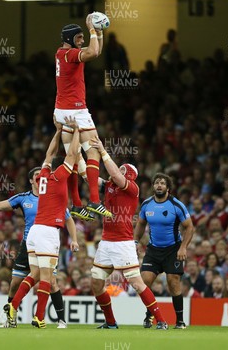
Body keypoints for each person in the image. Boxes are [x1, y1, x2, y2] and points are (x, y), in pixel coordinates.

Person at [0, 167, 77, 328]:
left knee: (51, 281)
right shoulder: (23, 198)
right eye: (37, 175)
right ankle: (11, 319)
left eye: (42, 175)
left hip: (47, 244)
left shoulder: (53, 196)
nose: (41, 177)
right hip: (28, 244)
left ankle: (61, 320)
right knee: (15, 282)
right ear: (31, 180)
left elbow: (69, 219)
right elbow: (0, 205)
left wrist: (74, 239)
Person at [4, 117, 80, 329]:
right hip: (47, 232)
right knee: (46, 277)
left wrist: (57, 132)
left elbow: (49, 153)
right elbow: (72, 155)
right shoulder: (59, 177)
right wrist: (76, 131)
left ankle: (13, 305)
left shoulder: (44, 174)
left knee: (35, 274)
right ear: (63, 168)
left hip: (35, 232)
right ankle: (39, 317)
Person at [88, 137, 168, 330]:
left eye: (124, 169)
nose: (119, 170)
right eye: (120, 168)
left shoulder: (132, 188)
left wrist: (103, 152)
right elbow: (88, 176)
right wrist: (80, 158)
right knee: (96, 284)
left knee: (137, 284)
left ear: (130, 175)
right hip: (106, 242)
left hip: (123, 242)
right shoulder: (109, 186)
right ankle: (111, 322)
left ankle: (162, 321)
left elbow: (115, 174)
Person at [54, 13, 111, 220]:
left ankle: (77, 205)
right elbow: (94, 53)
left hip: (61, 111)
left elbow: (94, 51)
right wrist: (92, 29)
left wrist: (100, 33)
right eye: (78, 38)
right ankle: (95, 201)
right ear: (70, 39)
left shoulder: (61, 54)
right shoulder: (70, 55)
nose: (82, 41)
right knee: (94, 151)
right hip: (76, 110)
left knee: (74, 157)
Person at [134, 172, 195, 329]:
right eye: (156, 183)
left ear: (168, 187)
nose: (159, 185)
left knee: (173, 282)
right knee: (144, 281)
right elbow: (140, 224)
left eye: (162, 183)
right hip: (153, 250)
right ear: (153, 186)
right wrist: (134, 242)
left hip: (173, 250)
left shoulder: (176, 205)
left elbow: (189, 227)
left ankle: (180, 321)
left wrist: (183, 248)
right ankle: (149, 316)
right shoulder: (146, 204)